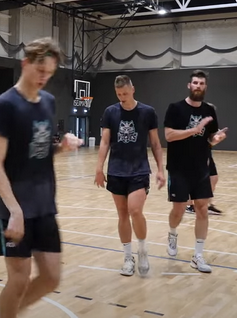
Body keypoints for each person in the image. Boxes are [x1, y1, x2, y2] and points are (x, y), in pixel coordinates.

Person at [0, 38, 82, 318]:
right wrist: (14, 211)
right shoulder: (5, 105)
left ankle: (7, 313)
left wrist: (61, 147)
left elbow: (39, 151)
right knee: (19, 280)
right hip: (14, 207)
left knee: (51, 277)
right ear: (25, 63)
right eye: (40, 71)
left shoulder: (48, 102)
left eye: (49, 73)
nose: (44, 77)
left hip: (44, 204)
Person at [95, 75, 165, 277]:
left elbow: (155, 143)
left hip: (139, 169)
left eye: (125, 93)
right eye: (119, 94)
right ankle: (128, 257)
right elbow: (105, 142)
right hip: (116, 170)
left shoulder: (147, 112)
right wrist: (99, 168)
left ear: (133, 89)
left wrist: (160, 169)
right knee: (122, 214)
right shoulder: (110, 112)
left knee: (135, 210)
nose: (122, 97)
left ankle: (142, 250)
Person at [164, 70, 227, 273]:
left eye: (201, 83)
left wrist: (215, 140)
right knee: (179, 210)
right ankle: (172, 233)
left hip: (201, 168)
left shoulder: (209, 110)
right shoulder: (175, 108)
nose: (198, 86)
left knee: (202, 209)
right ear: (189, 85)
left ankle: (198, 255)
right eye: (195, 83)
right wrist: (194, 130)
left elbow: (209, 139)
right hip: (178, 168)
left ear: (205, 87)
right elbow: (169, 136)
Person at [186, 102, 222, 215]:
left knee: (213, 178)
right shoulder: (195, 124)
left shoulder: (211, 125)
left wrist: (217, 138)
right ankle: (190, 205)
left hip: (206, 153)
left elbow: (210, 142)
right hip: (195, 155)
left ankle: (207, 203)